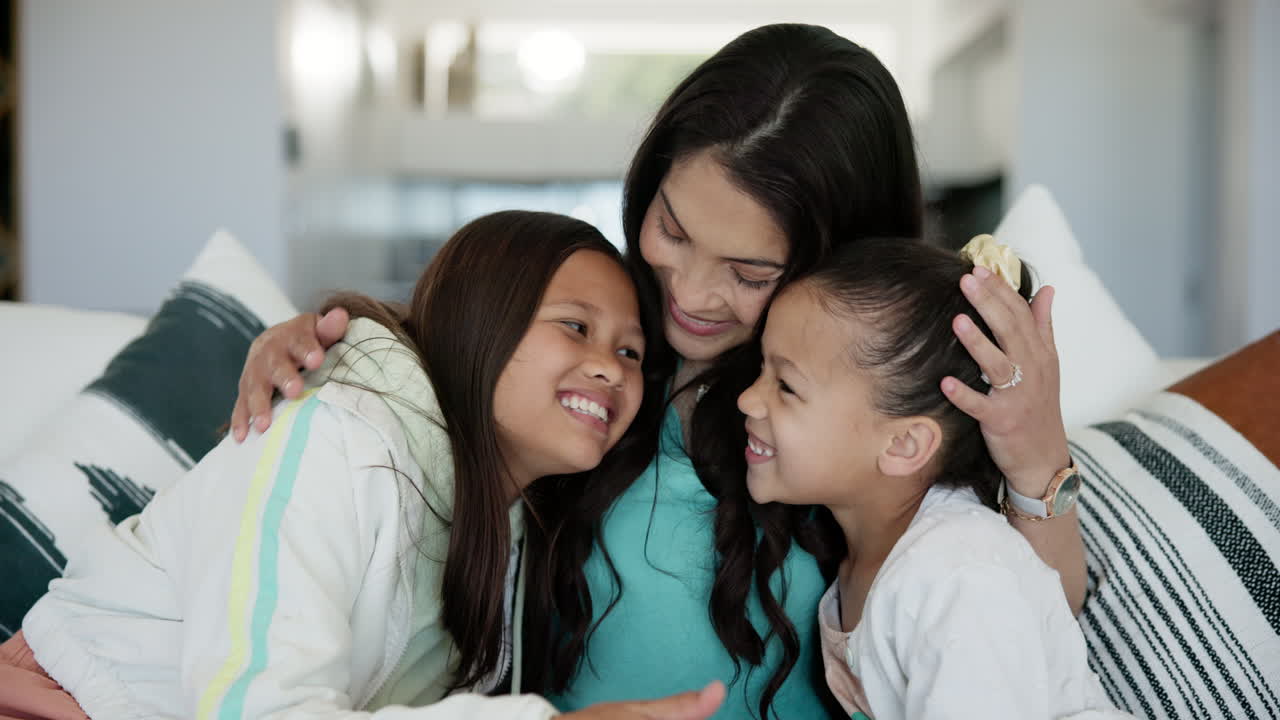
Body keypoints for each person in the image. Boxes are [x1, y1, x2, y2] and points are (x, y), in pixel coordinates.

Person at [230, 24, 1085, 718]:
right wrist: (314, 344)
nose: (692, 293)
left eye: (751, 274)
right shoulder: (598, 344)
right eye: (672, 229)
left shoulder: (866, 406)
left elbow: (1023, 630)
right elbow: (448, 369)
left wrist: (1036, 458)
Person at [1, 211, 726, 720]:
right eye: (576, 327)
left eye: (631, 352)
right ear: (483, 320)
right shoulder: (336, 441)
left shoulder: (512, 519)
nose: (609, 369)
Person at [737, 235, 1129, 719]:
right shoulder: (883, 561)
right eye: (761, 371)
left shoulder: (959, 578)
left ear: (904, 446)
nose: (747, 400)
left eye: (786, 387)